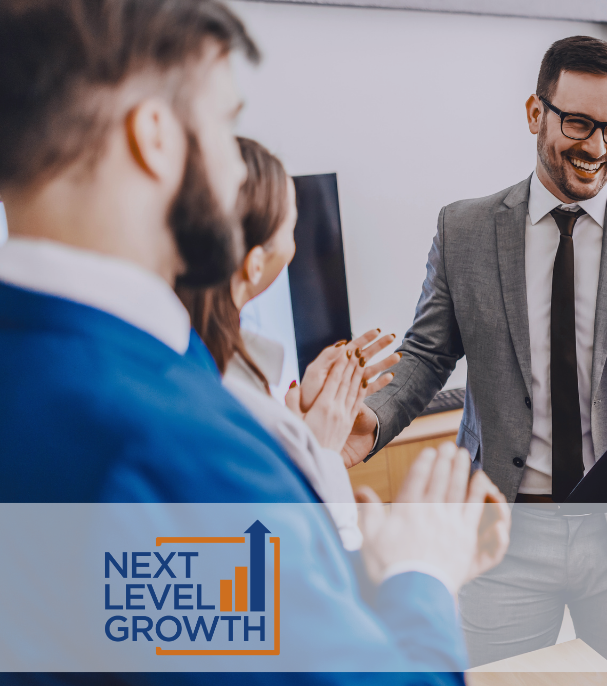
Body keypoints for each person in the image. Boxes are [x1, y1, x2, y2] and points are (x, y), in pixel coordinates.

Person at [0, 0, 506, 680]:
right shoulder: (171, 451)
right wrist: (422, 569)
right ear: (155, 138)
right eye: (223, 125)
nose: (241, 174)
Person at [340, 36, 607, 684]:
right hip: (504, 531)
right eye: (579, 122)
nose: (597, 146)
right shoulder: (464, 230)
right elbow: (426, 353)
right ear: (536, 112)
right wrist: (374, 419)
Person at [176, 136, 403, 550]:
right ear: (255, 264)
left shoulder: (195, 361)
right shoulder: (217, 395)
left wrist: (295, 435)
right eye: (291, 227)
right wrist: (318, 455)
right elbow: (296, 559)